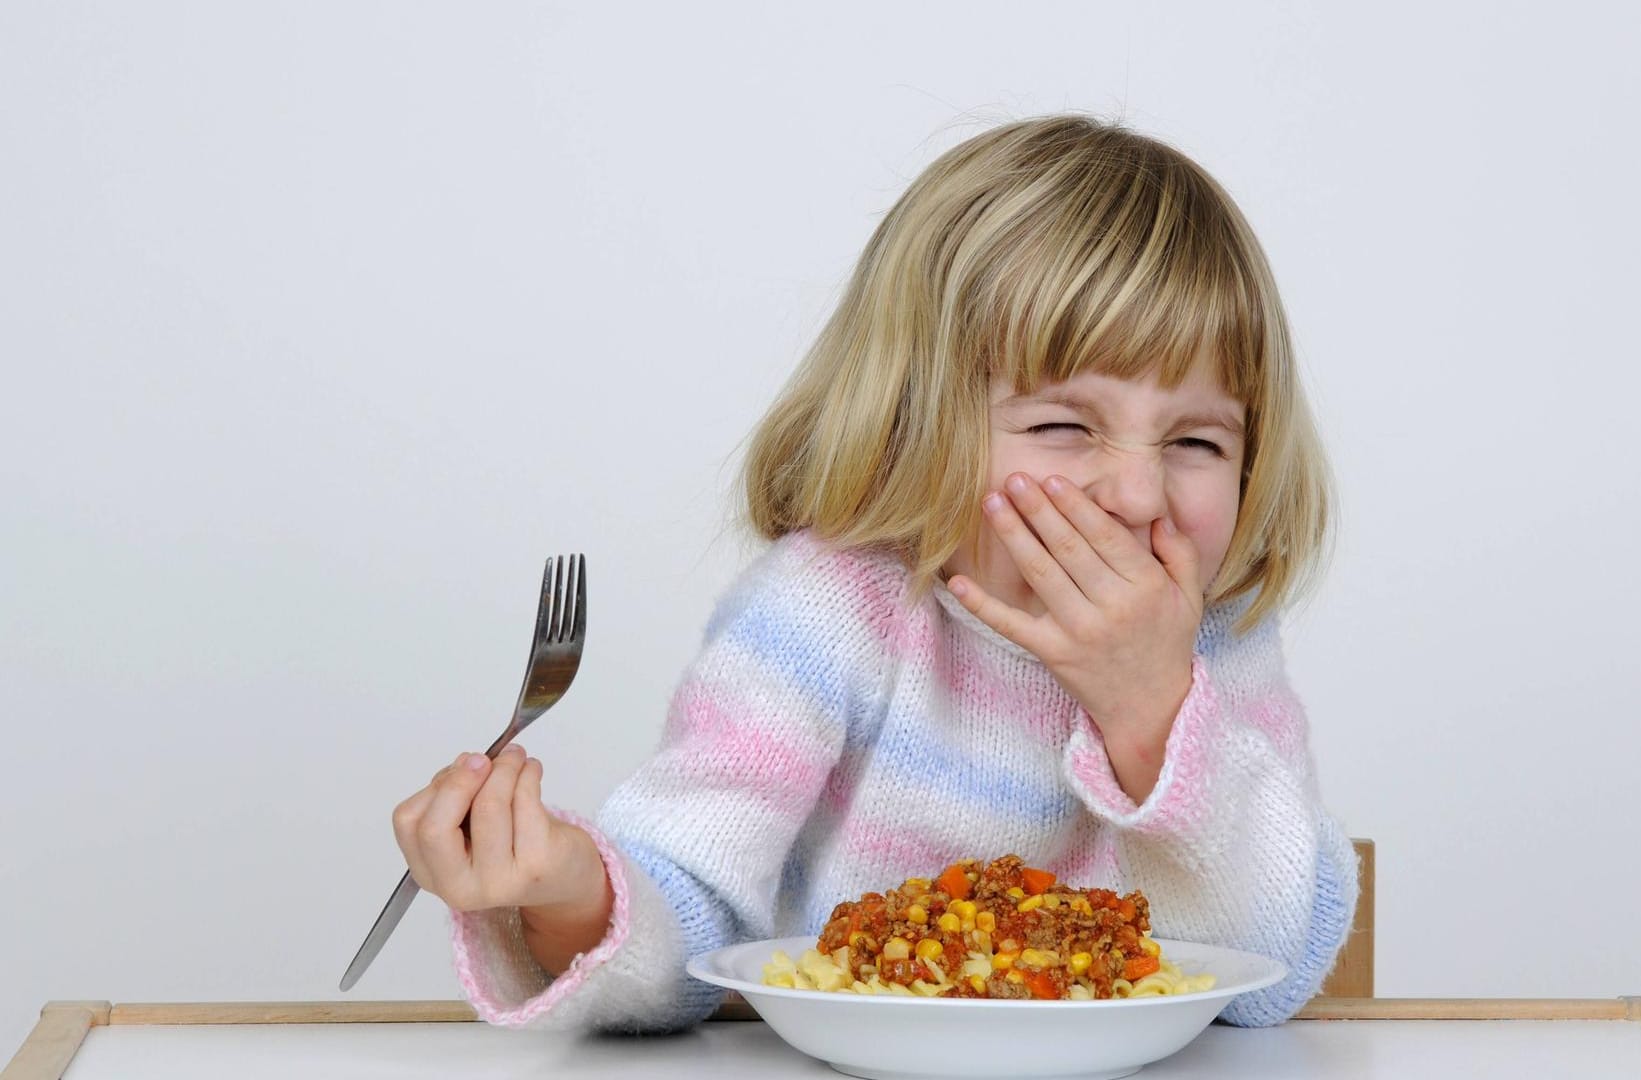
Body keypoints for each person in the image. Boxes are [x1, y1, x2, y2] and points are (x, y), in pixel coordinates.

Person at [390, 112, 1360, 1033]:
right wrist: (565, 893)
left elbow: (1266, 973)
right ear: (911, 426)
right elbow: (687, 928)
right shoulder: (828, 613)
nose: (1140, 495)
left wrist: (1155, 709)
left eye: (1196, 440)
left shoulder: (1209, 633)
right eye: (1065, 426)